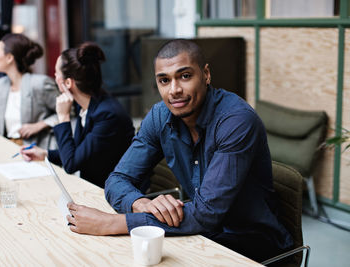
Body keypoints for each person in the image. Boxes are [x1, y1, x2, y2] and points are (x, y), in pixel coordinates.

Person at [63, 39, 293, 262]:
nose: (174, 90)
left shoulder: (236, 121)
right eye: (164, 80)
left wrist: (113, 223)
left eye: (184, 76)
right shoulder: (159, 116)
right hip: (201, 234)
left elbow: (207, 214)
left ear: (206, 74)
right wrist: (141, 204)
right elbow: (118, 179)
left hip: (253, 242)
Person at [21, 42, 135, 188]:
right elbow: (79, 153)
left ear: (68, 82)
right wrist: (45, 154)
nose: (54, 77)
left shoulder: (107, 115)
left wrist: (63, 117)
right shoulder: (87, 104)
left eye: (56, 73)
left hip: (113, 193)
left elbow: (71, 164)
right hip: (93, 186)